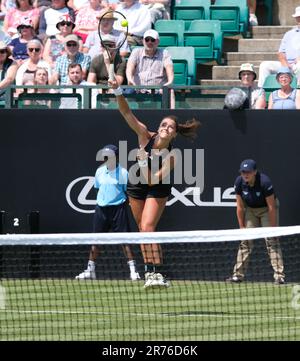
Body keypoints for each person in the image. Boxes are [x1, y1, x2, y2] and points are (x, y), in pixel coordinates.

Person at [109, 78, 201, 288]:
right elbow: (126, 113)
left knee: (149, 226)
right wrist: (118, 91)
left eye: (171, 127)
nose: (166, 128)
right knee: (142, 229)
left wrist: (142, 162)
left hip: (157, 187)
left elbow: (151, 179)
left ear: (175, 133)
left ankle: (157, 273)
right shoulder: (144, 136)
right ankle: (149, 272)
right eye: (163, 125)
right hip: (136, 187)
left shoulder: (172, 157)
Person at [75, 144, 140, 281]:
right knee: (95, 240)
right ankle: (90, 270)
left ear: (116, 157)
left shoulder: (123, 173)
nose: (106, 158)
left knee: (125, 241)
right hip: (101, 210)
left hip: (118, 210)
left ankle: (133, 271)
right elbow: (99, 188)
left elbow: (126, 192)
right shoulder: (99, 171)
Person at [226, 159, 285, 285]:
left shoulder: (264, 182)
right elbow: (240, 207)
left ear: (255, 172)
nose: (245, 174)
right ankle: (237, 276)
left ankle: (279, 276)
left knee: (272, 241)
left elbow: (271, 207)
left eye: (248, 172)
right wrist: (242, 227)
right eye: (243, 172)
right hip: (251, 210)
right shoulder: (239, 182)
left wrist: (274, 230)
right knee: (245, 242)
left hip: (266, 210)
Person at [258, 7, 300, 87]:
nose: (299, 20)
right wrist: (285, 65)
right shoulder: (289, 34)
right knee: (265, 65)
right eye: (298, 18)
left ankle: (298, 93)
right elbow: (281, 53)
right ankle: (262, 93)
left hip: (298, 65)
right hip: (287, 64)